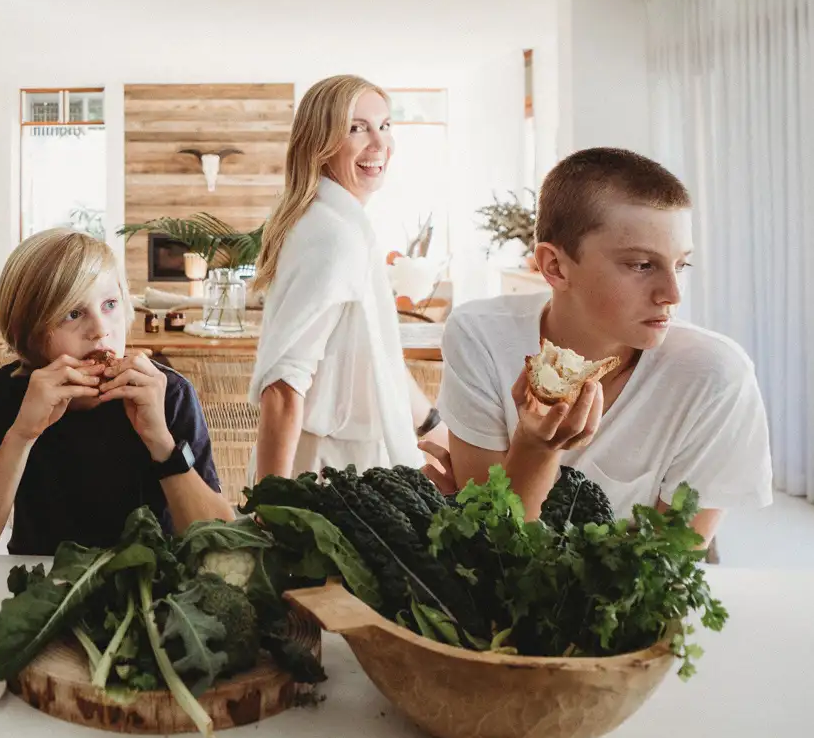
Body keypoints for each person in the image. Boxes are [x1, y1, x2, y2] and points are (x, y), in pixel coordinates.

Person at [430, 147, 773, 544]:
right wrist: (535, 448)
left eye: (681, 265)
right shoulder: (481, 337)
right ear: (555, 267)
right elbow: (490, 544)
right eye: (642, 265)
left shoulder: (715, 375)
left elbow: (668, 576)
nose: (672, 294)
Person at [0, 228, 232, 566]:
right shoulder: (8, 391)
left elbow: (222, 547)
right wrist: (22, 434)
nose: (100, 329)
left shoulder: (167, 392)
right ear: (29, 333)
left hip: (153, 582)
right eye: (73, 313)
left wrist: (161, 442)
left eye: (109, 304)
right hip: (44, 586)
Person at [250, 74, 444, 481]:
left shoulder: (338, 225)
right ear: (319, 144)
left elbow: (374, 354)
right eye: (357, 128)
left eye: (385, 125)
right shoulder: (334, 238)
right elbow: (285, 383)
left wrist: (434, 426)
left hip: (349, 460)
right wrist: (272, 504)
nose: (379, 143)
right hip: (326, 471)